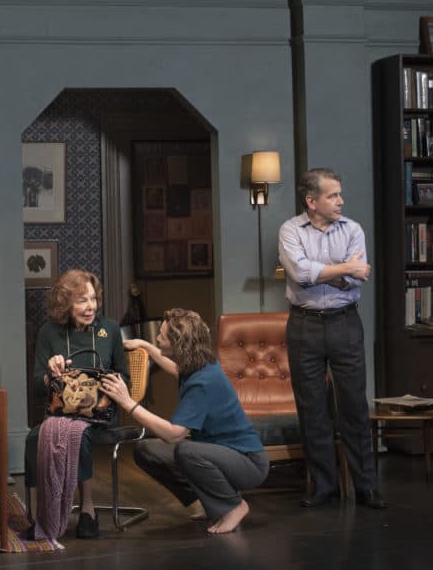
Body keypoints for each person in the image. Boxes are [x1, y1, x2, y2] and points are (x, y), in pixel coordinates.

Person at [102, 308, 269, 534]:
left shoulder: (202, 381)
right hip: (220, 452)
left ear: (178, 343)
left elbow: (173, 434)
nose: (158, 338)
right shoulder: (198, 364)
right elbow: (175, 368)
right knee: (146, 450)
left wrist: (127, 402)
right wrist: (148, 347)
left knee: (186, 450)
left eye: (161, 336)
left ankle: (234, 506)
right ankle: (202, 502)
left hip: (248, 462)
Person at [277, 167, 385, 509]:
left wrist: (329, 273)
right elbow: (300, 274)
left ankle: (366, 487)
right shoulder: (290, 230)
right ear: (311, 201)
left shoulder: (352, 229)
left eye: (340, 194)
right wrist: (342, 270)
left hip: (344, 323)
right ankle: (324, 487)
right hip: (304, 325)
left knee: (354, 406)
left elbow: (358, 278)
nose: (341, 200)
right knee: (312, 410)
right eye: (332, 195)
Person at [26, 269, 130, 540]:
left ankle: (87, 509)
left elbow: (125, 377)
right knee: (35, 436)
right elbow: (38, 385)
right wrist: (51, 373)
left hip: (100, 413)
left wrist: (108, 384)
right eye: (82, 300)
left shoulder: (110, 330)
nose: (91, 307)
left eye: (93, 299)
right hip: (61, 411)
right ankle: (45, 513)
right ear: (65, 303)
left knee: (78, 432)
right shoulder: (49, 333)